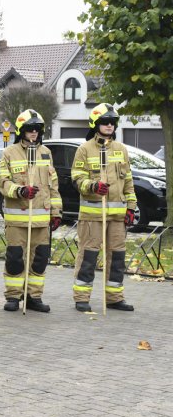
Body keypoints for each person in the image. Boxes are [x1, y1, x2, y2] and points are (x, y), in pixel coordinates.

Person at [70, 103, 136, 312]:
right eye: (105, 122)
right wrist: (93, 186)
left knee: (117, 257)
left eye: (112, 122)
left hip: (117, 216)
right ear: (95, 124)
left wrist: (131, 208)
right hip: (92, 216)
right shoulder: (84, 149)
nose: (109, 125)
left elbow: (128, 182)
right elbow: (77, 179)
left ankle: (114, 298)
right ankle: (82, 297)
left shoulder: (121, 149)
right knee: (88, 256)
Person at [0, 109, 63, 312]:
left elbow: (53, 186)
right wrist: (21, 191)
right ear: (21, 130)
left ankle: (34, 296)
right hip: (18, 218)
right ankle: (13, 297)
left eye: (37, 129)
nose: (34, 133)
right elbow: (3, 183)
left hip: (41, 218)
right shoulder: (9, 153)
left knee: (40, 259)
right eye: (29, 129)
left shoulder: (46, 153)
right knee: (16, 258)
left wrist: (56, 212)